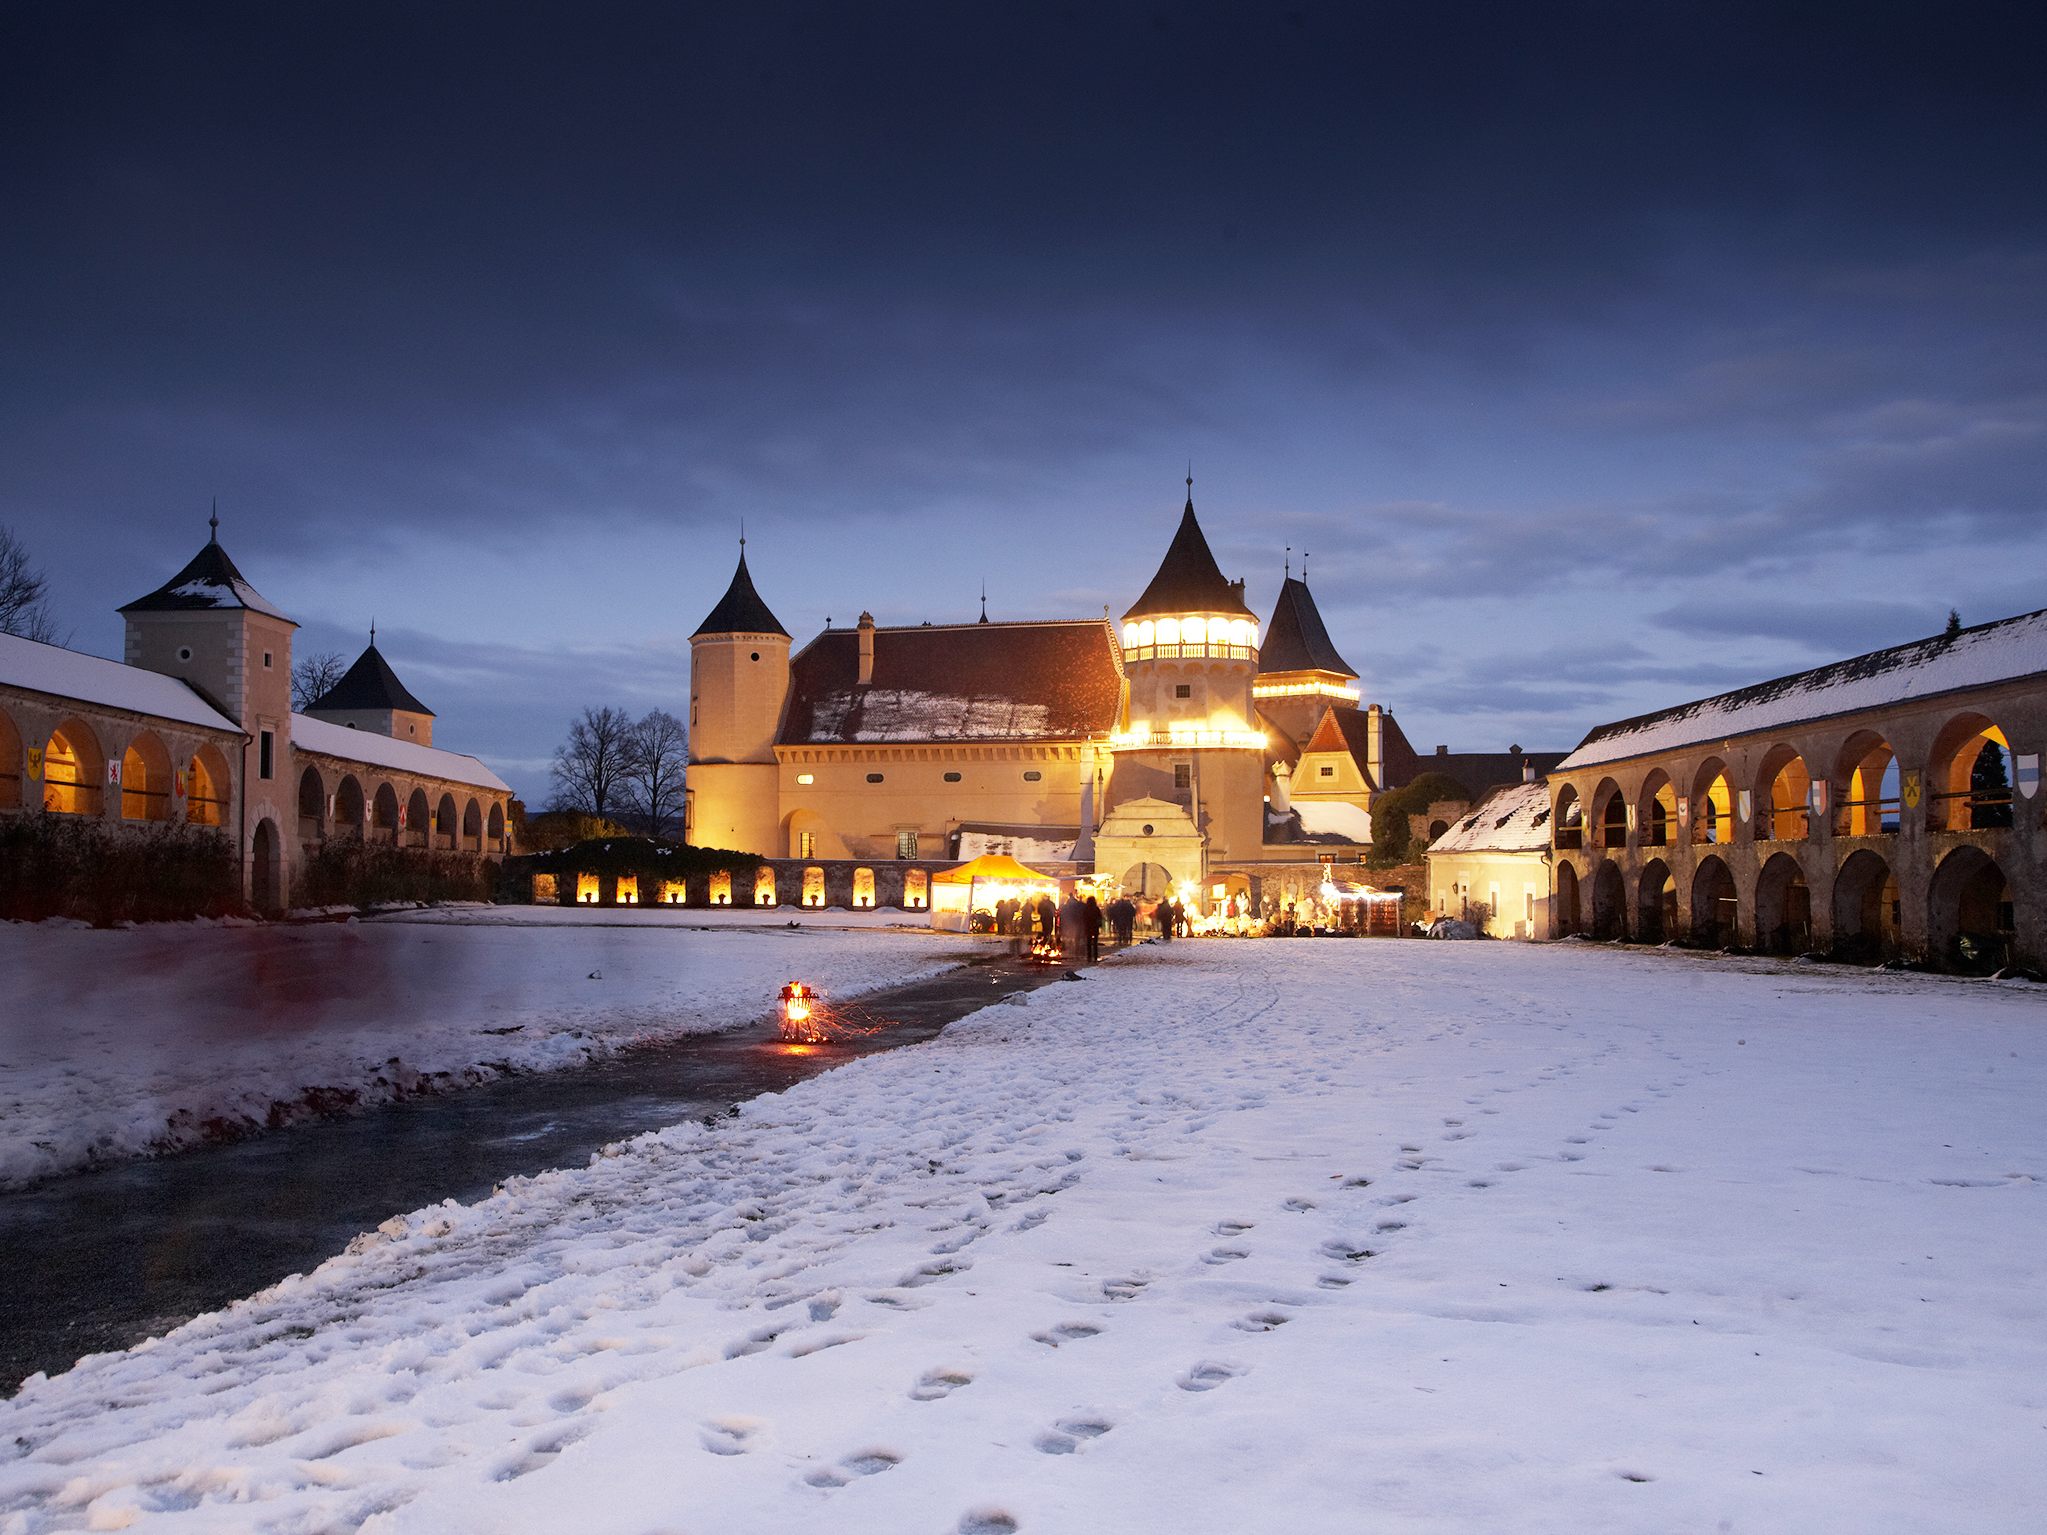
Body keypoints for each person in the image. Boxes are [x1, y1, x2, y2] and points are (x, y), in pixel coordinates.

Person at [1083, 894, 1103, 962]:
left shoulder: (1086, 908)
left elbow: (1083, 918)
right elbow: (1099, 917)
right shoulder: (1096, 908)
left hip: (1088, 927)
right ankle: (1095, 956)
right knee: (1095, 943)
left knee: (1088, 942)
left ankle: (1089, 956)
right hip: (1095, 927)